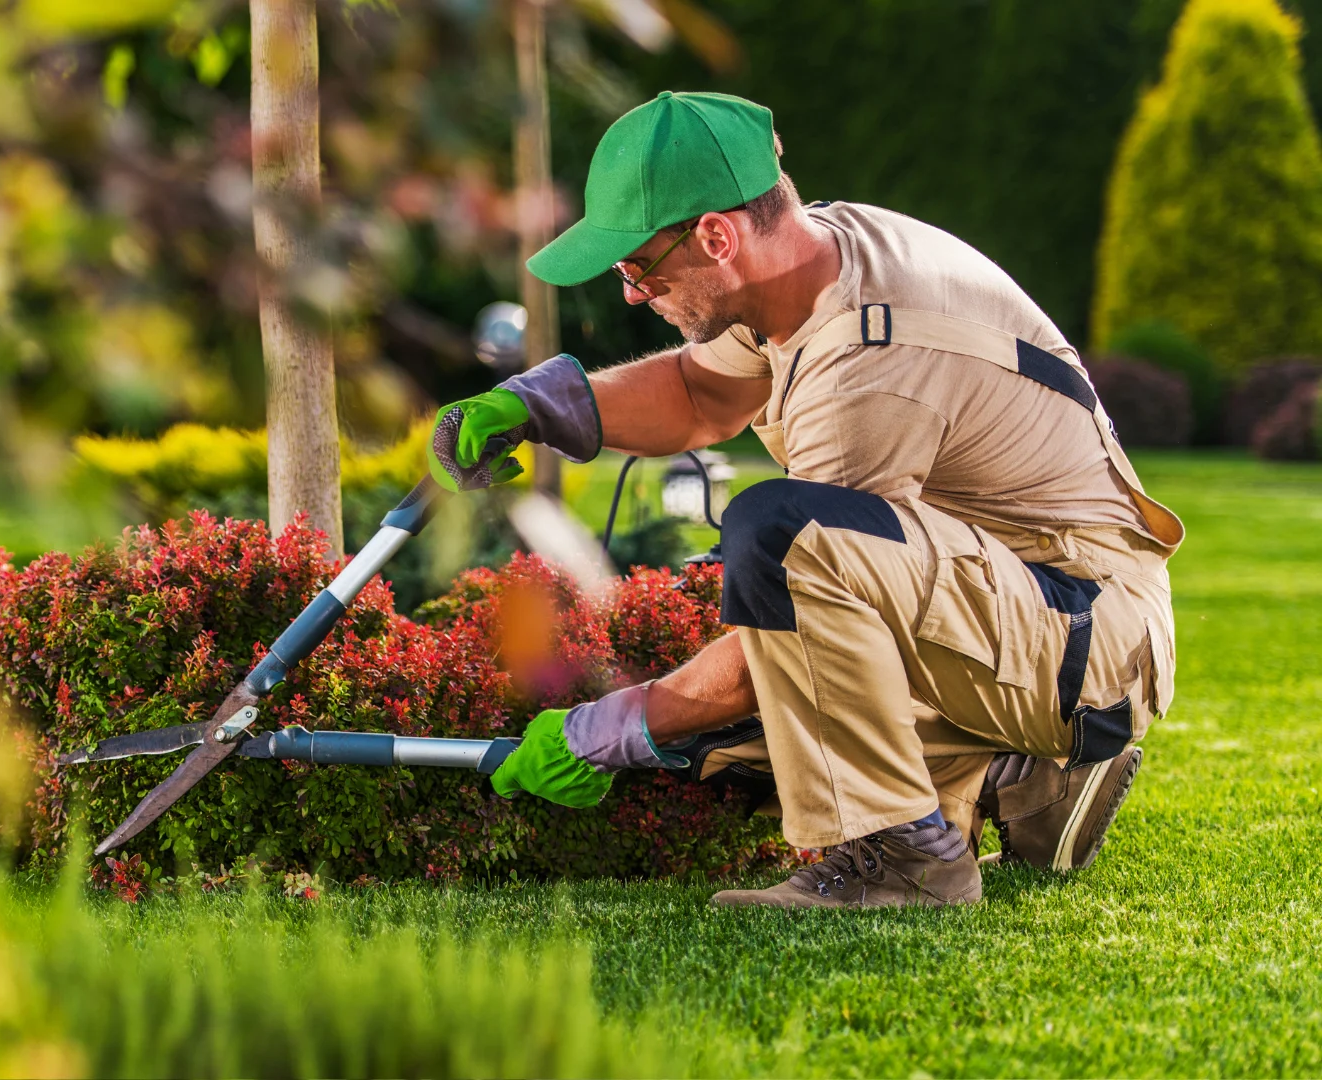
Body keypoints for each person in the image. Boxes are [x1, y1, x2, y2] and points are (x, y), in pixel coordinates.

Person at [428, 91, 1182, 908]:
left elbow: (788, 617)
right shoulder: (809, 260)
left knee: (774, 551)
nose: (632, 297)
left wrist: (606, 731)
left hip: (1085, 635)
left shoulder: (870, 359)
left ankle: (908, 856)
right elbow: (699, 394)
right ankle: (1022, 778)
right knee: (744, 742)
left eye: (637, 268)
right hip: (1030, 601)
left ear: (717, 234)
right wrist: (540, 407)